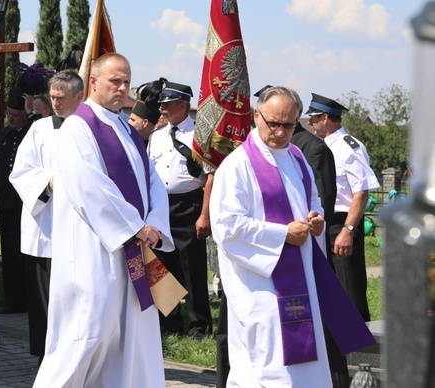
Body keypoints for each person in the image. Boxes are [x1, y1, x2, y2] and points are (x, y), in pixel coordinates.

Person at [211, 86, 374, 387]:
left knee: (305, 352)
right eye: (273, 122)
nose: (280, 131)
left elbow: (313, 199)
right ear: (256, 116)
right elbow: (226, 226)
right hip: (260, 281)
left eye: (288, 124)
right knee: (264, 357)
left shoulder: (297, 157)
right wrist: (282, 234)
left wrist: (315, 219)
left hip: (299, 272)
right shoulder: (237, 166)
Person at [34, 53, 174, 387]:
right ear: (93, 82)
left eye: (127, 82)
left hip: (134, 251)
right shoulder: (78, 128)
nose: (123, 88)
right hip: (94, 255)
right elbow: (89, 185)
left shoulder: (126, 127)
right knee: (86, 338)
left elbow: (151, 179)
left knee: (131, 340)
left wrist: (153, 223)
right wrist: (135, 226)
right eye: (115, 81)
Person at [9, 70, 84, 364]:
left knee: (74, 300)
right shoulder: (39, 130)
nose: (55, 103)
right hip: (47, 229)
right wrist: (47, 182)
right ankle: (45, 358)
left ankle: (75, 356)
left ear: (79, 97)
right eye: (52, 97)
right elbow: (20, 172)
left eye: (61, 98)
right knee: (44, 300)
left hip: (81, 230)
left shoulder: (90, 131)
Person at [147, 81, 214, 338]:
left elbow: (211, 176)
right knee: (163, 267)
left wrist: (204, 215)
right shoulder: (157, 135)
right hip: (162, 206)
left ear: (182, 105)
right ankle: (169, 324)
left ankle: (199, 326)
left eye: (167, 104)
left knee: (192, 268)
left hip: (190, 205)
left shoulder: (200, 134)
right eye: (161, 104)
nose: (161, 108)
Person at [305, 93, 380, 322]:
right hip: (321, 224)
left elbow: (361, 192)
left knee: (349, 286)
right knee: (327, 286)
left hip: (342, 224)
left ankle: (361, 349)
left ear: (326, 118)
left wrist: (348, 230)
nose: (309, 122)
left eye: (314, 118)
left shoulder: (350, 148)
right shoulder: (320, 146)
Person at [0, 88, 38, 314]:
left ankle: (32, 299)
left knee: (29, 252)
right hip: (8, 202)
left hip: (30, 204)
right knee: (11, 252)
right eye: (10, 115)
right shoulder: (1, 137)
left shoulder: (33, 132)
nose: (12, 119)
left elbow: (41, 133)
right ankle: (13, 300)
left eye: (17, 115)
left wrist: (31, 112)